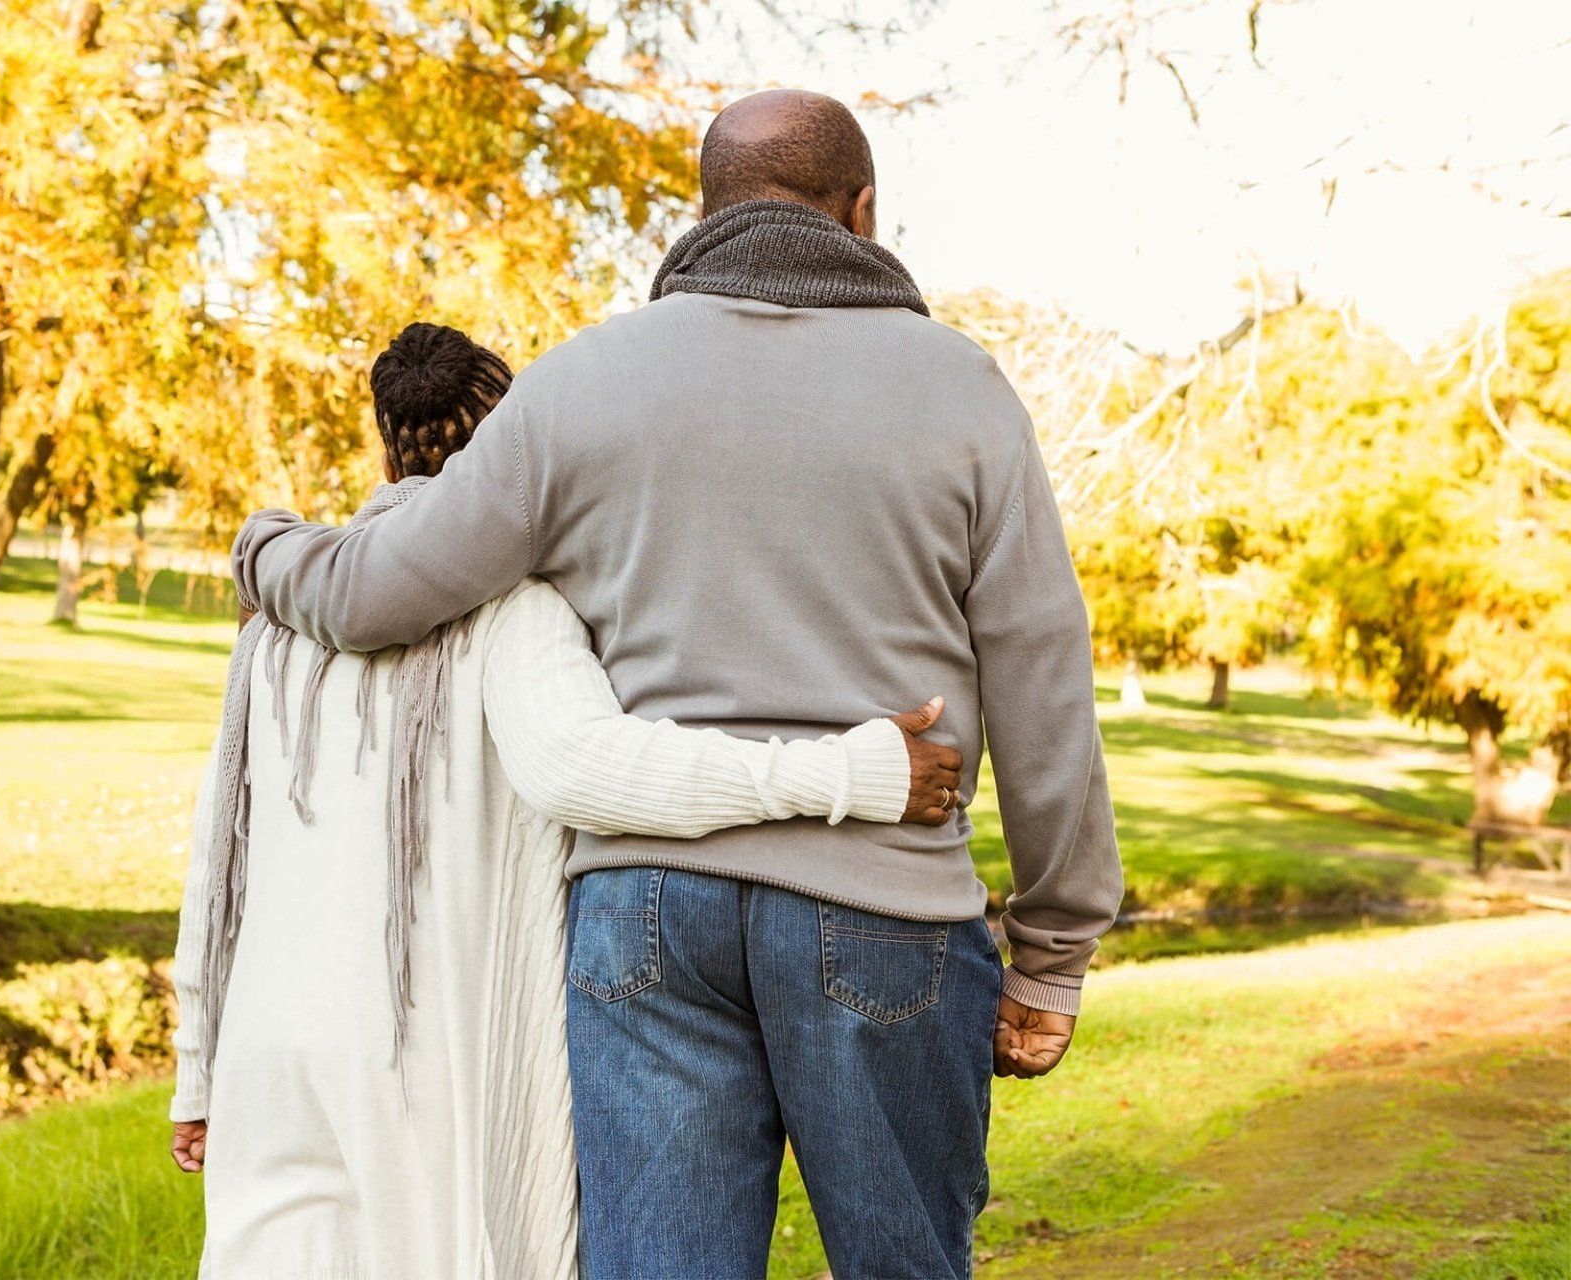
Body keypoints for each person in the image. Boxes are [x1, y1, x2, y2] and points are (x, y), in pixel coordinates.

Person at [231, 90, 1126, 1279]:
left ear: (702, 213)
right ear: (862, 211)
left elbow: (375, 593)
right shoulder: (963, 390)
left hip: (645, 913)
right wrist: (1053, 948)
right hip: (881, 912)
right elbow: (1044, 682)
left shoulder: (581, 384)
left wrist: (265, 550)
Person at [170, 323, 963, 1279]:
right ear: (516, 443)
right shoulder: (515, 611)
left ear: (385, 438)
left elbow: (221, 857)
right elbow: (585, 769)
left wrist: (198, 1065)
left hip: (273, 1052)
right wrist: (847, 775)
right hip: (428, 1059)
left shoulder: (281, 628)